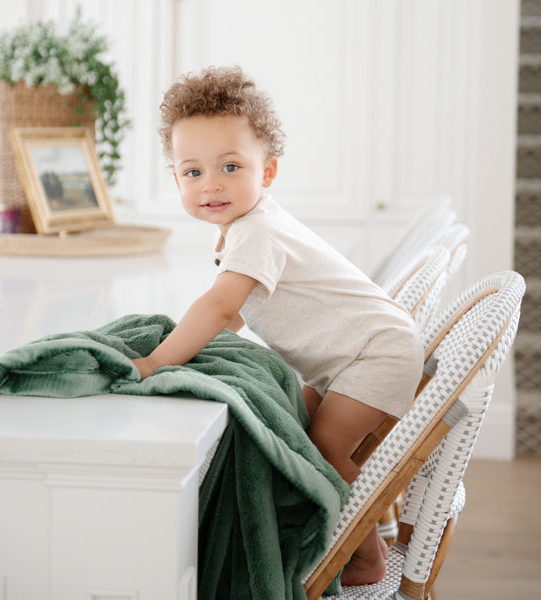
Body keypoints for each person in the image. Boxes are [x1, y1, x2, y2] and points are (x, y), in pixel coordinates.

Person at [132, 65, 424, 586]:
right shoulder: (247, 229)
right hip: (350, 356)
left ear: (266, 171)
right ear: (175, 178)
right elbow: (240, 313)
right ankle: (336, 527)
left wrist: (159, 361)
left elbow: (223, 308)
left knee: (325, 449)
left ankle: (365, 556)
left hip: (376, 354)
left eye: (230, 166)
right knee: (288, 429)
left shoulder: (255, 232)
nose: (211, 184)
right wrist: (195, 347)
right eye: (193, 172)